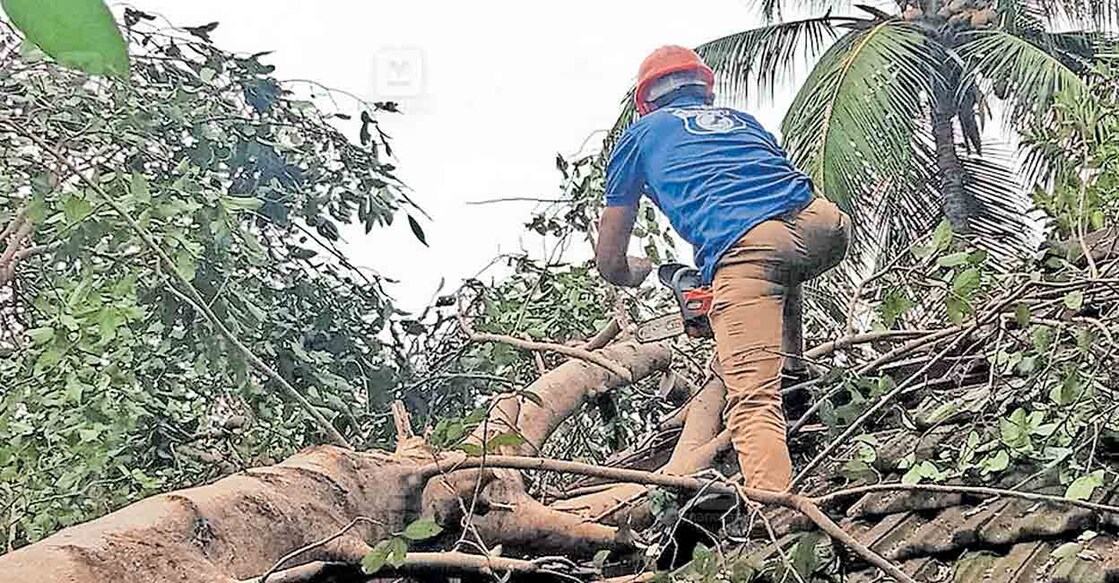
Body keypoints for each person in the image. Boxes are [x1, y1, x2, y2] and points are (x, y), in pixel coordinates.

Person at [595, 45, 851, 492]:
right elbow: (767, 192)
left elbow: (609, 259)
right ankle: (794, 377)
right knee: (777, 270)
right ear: (704, 90)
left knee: (751, 403)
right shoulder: (741, 120)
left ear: (646, 101)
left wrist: (632, 272)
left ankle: (774, 517)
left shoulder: (638, 137)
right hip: (825, 225)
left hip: (753, 250)